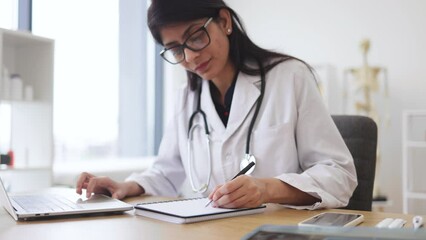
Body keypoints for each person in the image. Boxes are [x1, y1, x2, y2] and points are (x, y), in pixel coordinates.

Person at [76, 0, 357, 210]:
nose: (189, 57)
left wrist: (267, 188)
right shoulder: (187, 98)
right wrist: (126, 186)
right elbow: (166, 172)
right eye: (176, 48)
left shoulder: (289, 77)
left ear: (224, 21)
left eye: (196, 36)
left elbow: (338, 174)